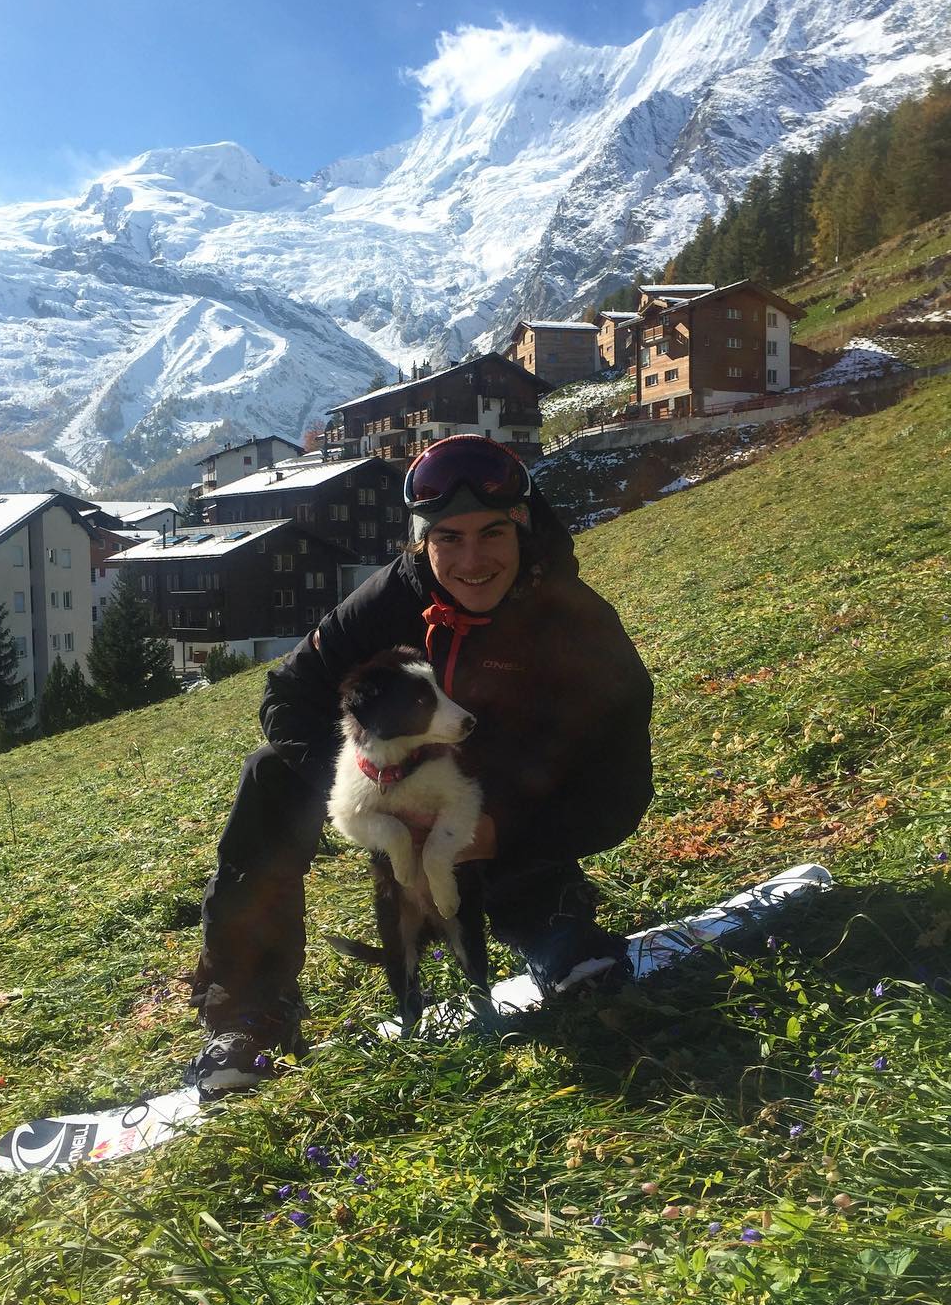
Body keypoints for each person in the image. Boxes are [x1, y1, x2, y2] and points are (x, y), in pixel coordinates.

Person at [188, 435, 654, 1095]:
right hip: (389, 790)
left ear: (522, 524)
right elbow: (289, 696)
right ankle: (250, 1013)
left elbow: (620, 786)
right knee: (271, 773)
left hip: (501, 805)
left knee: (508, 763)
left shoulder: (578, 623)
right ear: (421, 541)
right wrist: (363, 787)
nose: (472, 560)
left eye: (493, 532)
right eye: (448, 538)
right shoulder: (388, 601)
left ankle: (553, 928)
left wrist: (501, 832)